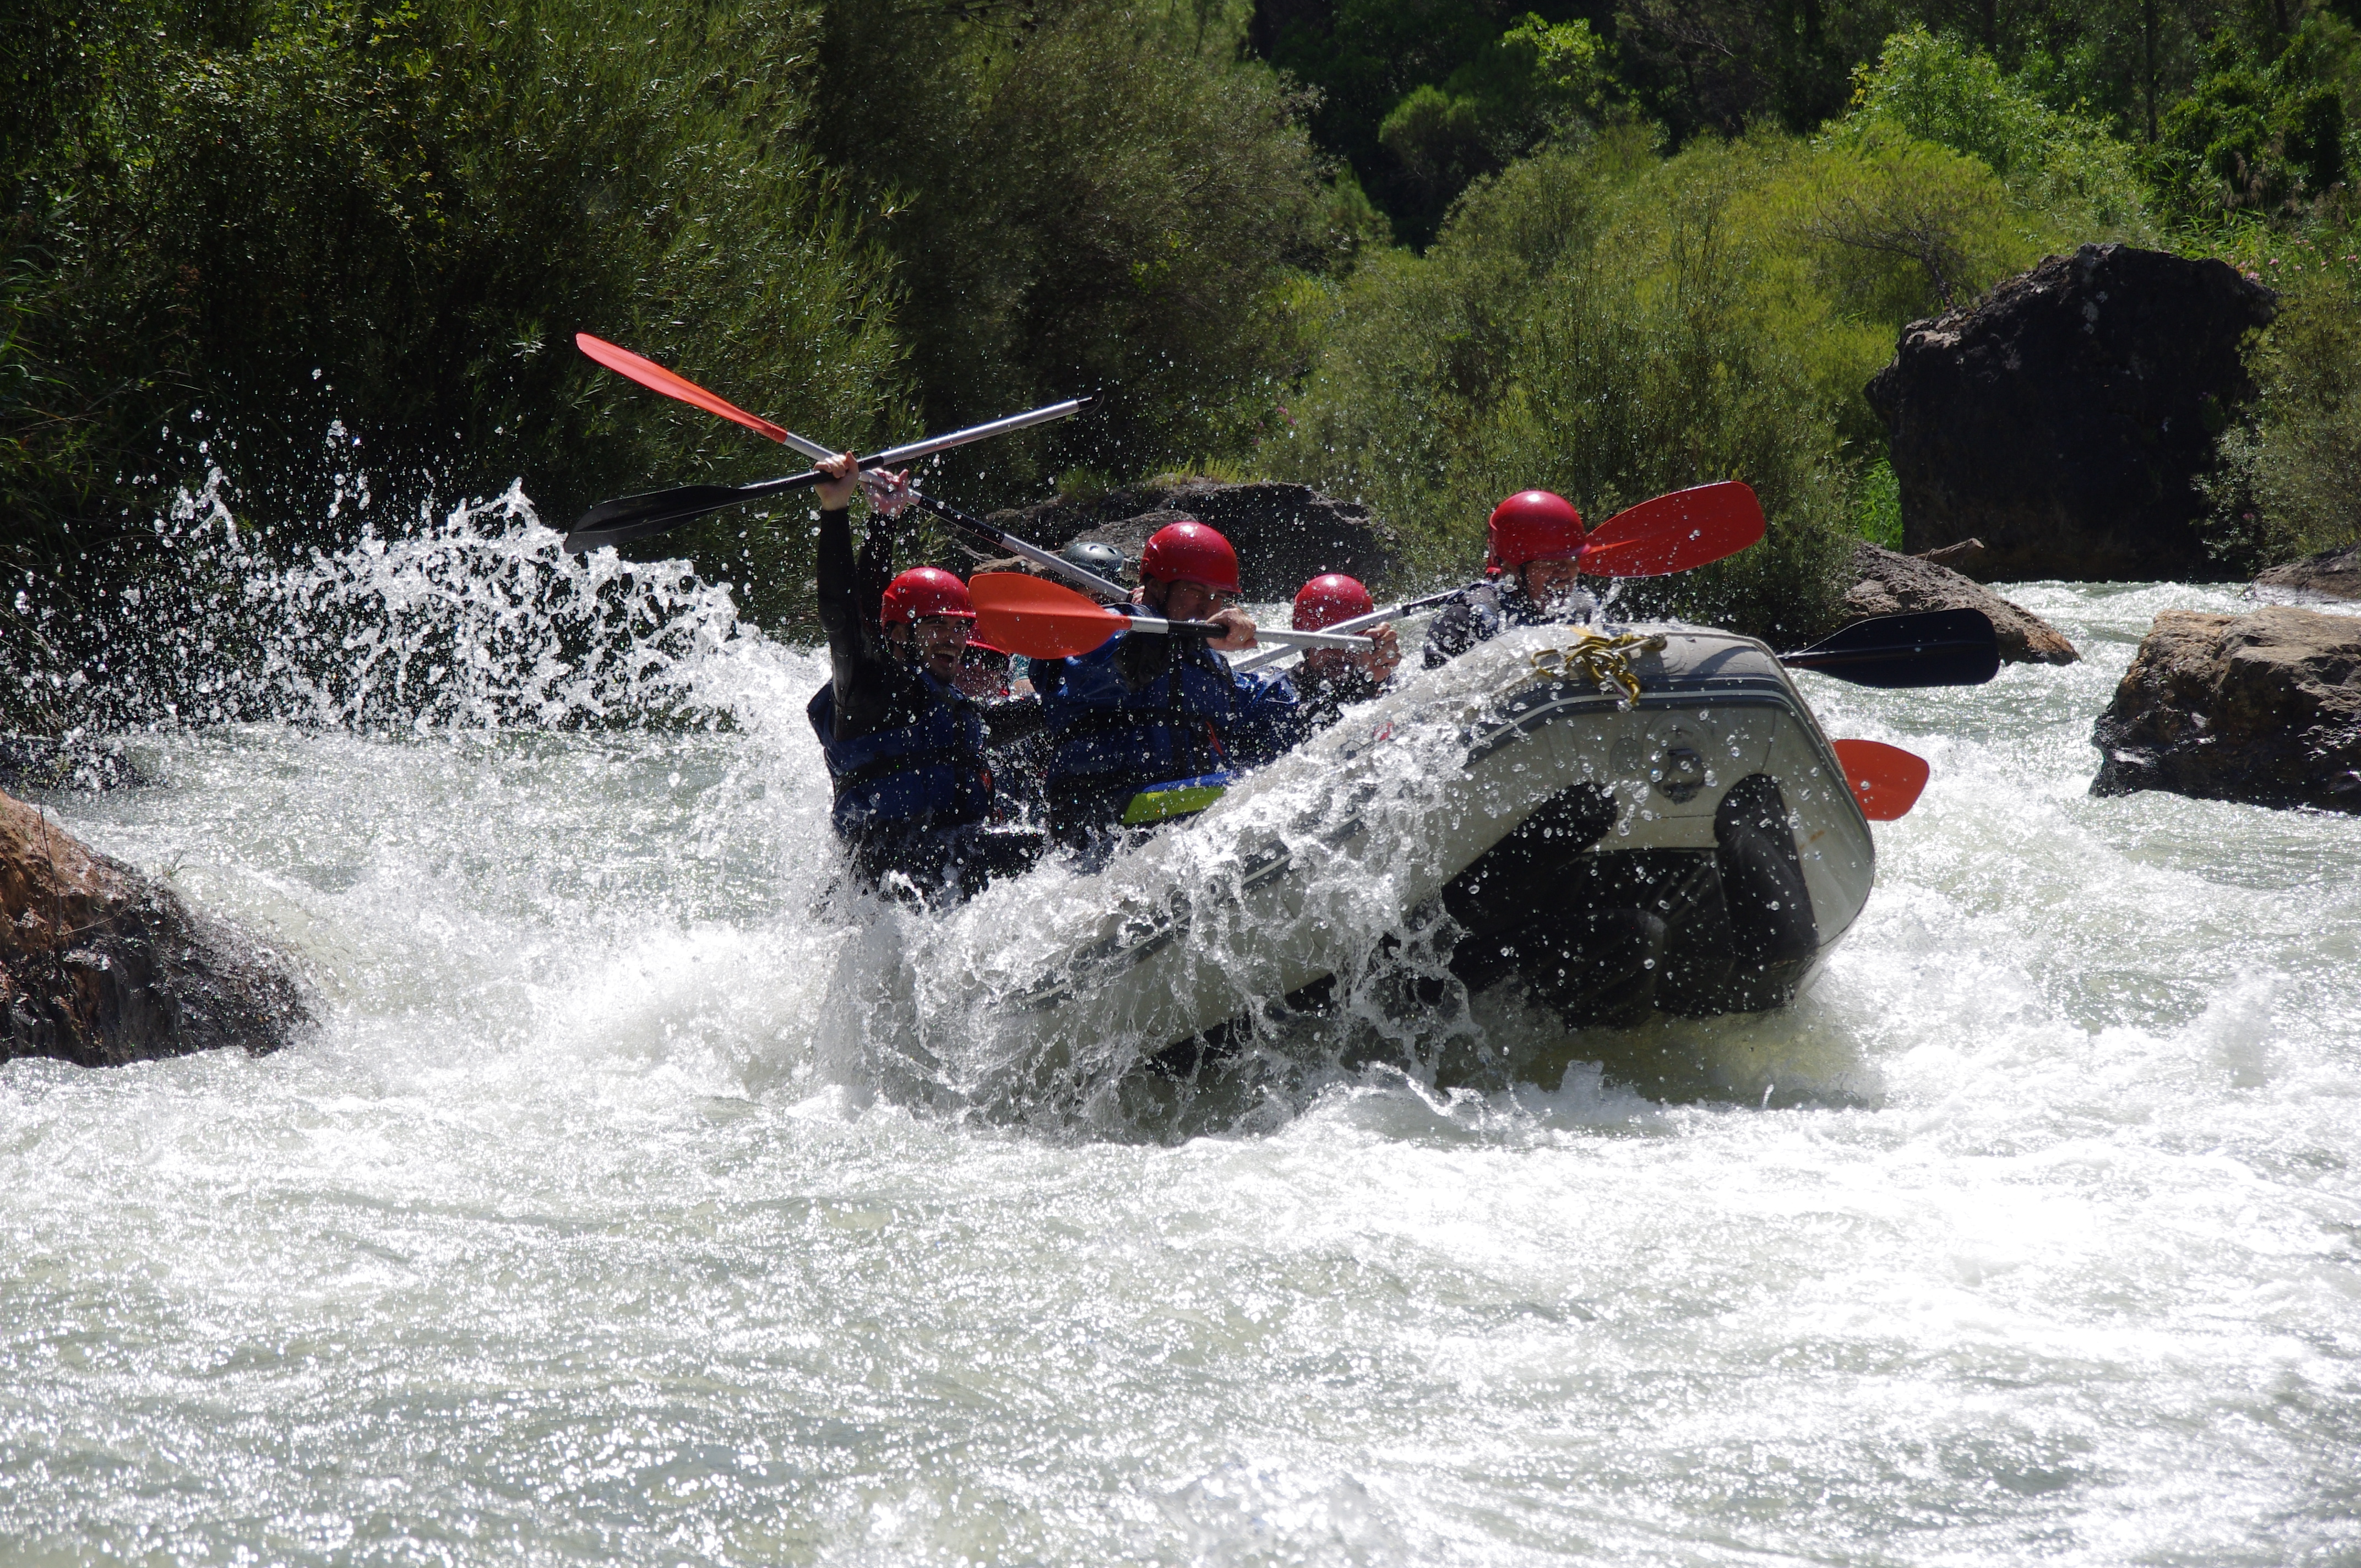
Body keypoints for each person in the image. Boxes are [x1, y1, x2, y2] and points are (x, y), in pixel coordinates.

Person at [804, 453, 1043, 902]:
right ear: (898, 634)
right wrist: (837, 511)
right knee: (1029, 848)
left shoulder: (955, 709)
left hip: (952, 866)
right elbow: (845, 614)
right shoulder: (865, 693)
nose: (953, 640)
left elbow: (1024, 717)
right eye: (936, 626)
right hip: (886, 878)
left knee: (1044, 841)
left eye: (960, 628)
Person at [1037, 519, 1301, 848]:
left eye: (1219, 597)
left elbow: (1276, 709)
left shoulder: (1206, 661)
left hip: (1177, 810)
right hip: (1105, 815)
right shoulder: (1104, 633)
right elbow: (1111, 667)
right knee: (1245, 787)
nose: (1207, 607)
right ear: (1157, 587)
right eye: (1196, 592)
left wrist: (1334, 675)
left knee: (1293, 771)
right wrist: (1153, 622)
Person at [1421, 489, 1601, 669]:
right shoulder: (1464, 621)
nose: (1564, 573)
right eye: (1547, 562)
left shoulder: (1585, 612)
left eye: (1572, 559)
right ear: (1510, 567)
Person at [1278, 573, 1402, 738]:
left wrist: (1371, 681)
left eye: (1349, 644)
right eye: (1329, 644)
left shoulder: (1383, 683)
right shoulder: (1278, 695)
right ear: (1303, 638)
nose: (1340, 653)